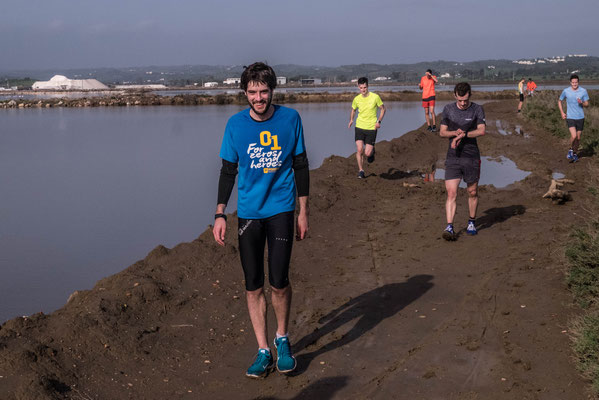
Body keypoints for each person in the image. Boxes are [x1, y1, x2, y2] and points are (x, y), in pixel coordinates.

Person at [213, 62, 310, 378]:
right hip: (249, 214)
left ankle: (282, 338)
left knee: (278, 282)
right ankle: (262, 350)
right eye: (252, 92)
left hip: (281, 209)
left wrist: (303, 211)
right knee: (253, 285)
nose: (258, 97)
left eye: (264, 91)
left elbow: (301, 164)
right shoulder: (235, 125)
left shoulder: (290, 119)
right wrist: (219, 214)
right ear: (245, 93)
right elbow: (228, 171)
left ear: (272, 91)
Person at [439, 82, 486, 241]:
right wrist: (455, 133)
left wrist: (464, 135)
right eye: (460, 100)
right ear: (455, 96)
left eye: (465, 100)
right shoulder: (448, 109)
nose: (463, 103)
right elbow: (442, 132)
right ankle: (450, 226)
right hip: (453, 156)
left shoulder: (477, 109)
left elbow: (481, 130)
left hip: (471, 156)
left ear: (470, 95)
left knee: (472, 191)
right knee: (451, 192)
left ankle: (471, 222)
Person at [348, 77, 386, 179]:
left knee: (367, 153)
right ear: (358, 87)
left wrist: (379, 121)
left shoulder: (375, 97)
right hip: (359, 126)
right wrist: (351, 119)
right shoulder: (357, 99)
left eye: (364, 87)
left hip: (371, 128)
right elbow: (353, 109)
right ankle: (361, 170)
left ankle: (372, 152)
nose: (363, 90)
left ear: (367, 86)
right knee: (359, 149)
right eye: (361, 88)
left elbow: (383, 109)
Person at [558, 74, 590, 163]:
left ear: (578, 82)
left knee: (578, 138)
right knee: (574, 136)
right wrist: (562, 112)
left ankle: (575, 154)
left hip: (580, 117)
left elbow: (587, 104)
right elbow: (559, 101)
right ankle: (570, 150)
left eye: (576, 82)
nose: (574, 84)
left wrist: (582, 102)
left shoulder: (583, 91)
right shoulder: (566, 91)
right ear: (570, 82)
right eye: (573, 82)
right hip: (570, 117)